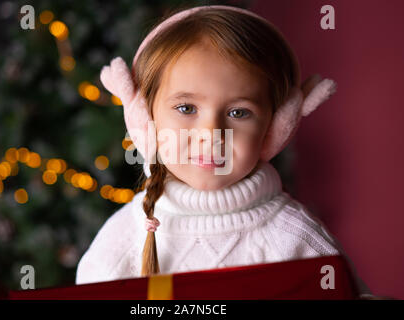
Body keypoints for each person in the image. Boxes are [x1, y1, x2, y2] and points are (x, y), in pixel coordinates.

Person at [76, 4, 374, 298]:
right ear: (146, 119)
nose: (211, 134)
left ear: (274, 129)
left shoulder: (297, 241)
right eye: (186, 108)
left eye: (239, 112)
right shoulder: (124, 236)